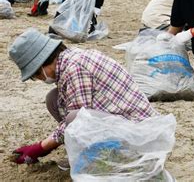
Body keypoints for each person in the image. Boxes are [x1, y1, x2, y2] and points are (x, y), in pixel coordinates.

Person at [8, 28, 157, 165]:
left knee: (75, 117)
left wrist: (41, 147)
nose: (40, 79)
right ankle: (87, 151)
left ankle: (105, 157)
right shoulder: (72, 57)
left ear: (43, 63)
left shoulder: (75, 69)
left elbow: (79, 119)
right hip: (125, 122)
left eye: (37, 75)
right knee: (54, 99)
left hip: (139, 134)